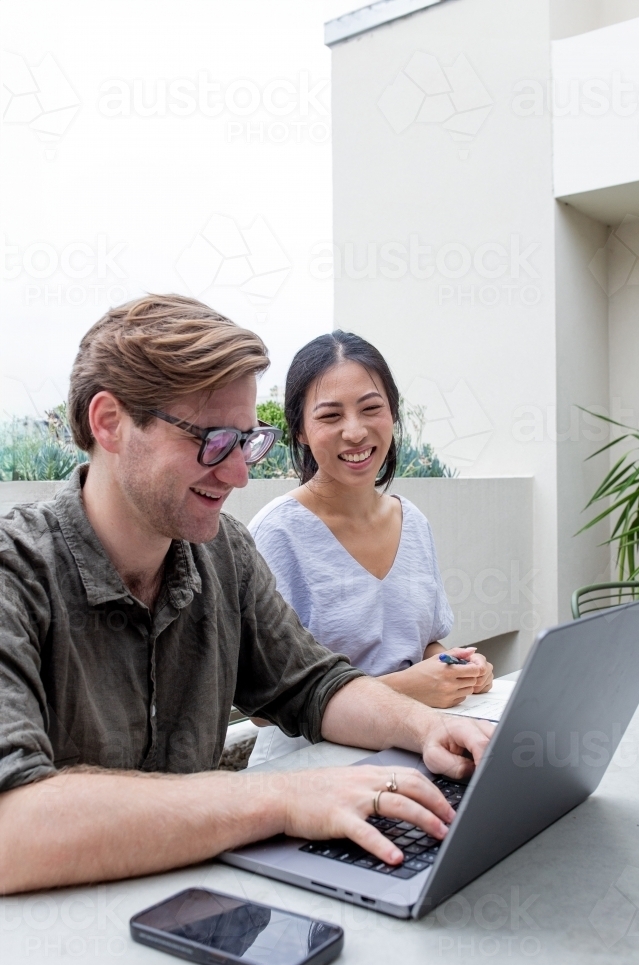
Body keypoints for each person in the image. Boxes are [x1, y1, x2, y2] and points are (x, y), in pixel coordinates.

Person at [0, 295, 494, 895]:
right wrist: (282, 797)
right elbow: (11, 828)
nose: (239, 474)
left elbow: (312, 686)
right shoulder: (17, 573)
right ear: (110, 423)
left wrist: (425, 728)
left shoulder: (222, 552)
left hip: (194, 902)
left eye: (246, 440)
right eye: (210, 442)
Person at [247, 331, 493, 766]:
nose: (355, 432)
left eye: (371, 408)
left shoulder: (411, 521)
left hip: (414, 748)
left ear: (392, 414)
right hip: (309, 769)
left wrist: (454, 667)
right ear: (300, 430)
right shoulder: (276, 534)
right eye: (330, 416)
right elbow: (265, 705)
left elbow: (423, 642)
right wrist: (407, 688)